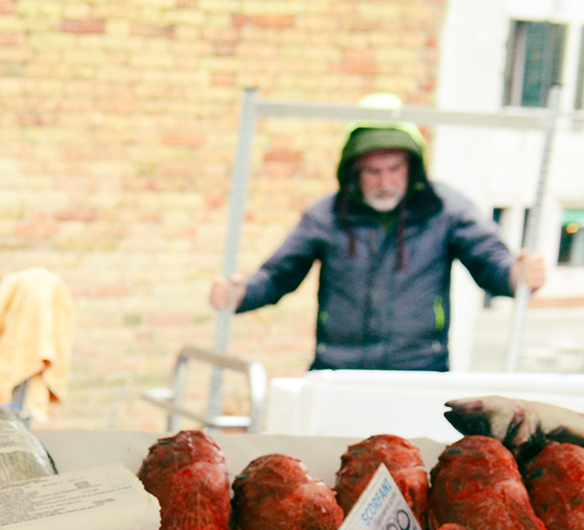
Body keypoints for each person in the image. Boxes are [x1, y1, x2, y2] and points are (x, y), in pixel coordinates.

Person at [209, 109, 547, 372]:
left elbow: (490, 261)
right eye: (373, 171)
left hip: (419, 372)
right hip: (337, 369)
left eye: (395, 168)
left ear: (412, 168)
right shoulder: (325, 216)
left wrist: (516, 275)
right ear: (354, 173)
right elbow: (278, 275)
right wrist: (240, 293)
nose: (385, 181)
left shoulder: (445, 210)